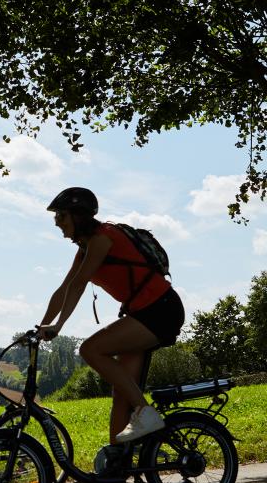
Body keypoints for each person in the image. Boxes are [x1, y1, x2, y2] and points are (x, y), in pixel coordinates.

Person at [38, 187, 185, 446]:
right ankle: (114, 461)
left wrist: (58, 325)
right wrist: (42, 325)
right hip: (143, 313)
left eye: (61, 216)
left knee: (90, 349)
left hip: (160, 310)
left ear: (78, 215)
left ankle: (145, 412)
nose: (56, 223)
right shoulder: (84, 249)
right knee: (122, 391)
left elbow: (79, 284)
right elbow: (63, 289)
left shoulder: (104, 237)